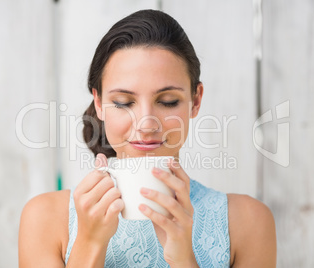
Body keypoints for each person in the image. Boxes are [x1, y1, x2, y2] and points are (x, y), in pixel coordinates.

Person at [18, 9, 276, 268]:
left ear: (195, 100)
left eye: (167, 101)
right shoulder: (45, 218)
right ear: (98, 103)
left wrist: (184, 258)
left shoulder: (247, 221)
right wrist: (90, 243)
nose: (146, 124)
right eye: (123, 102)